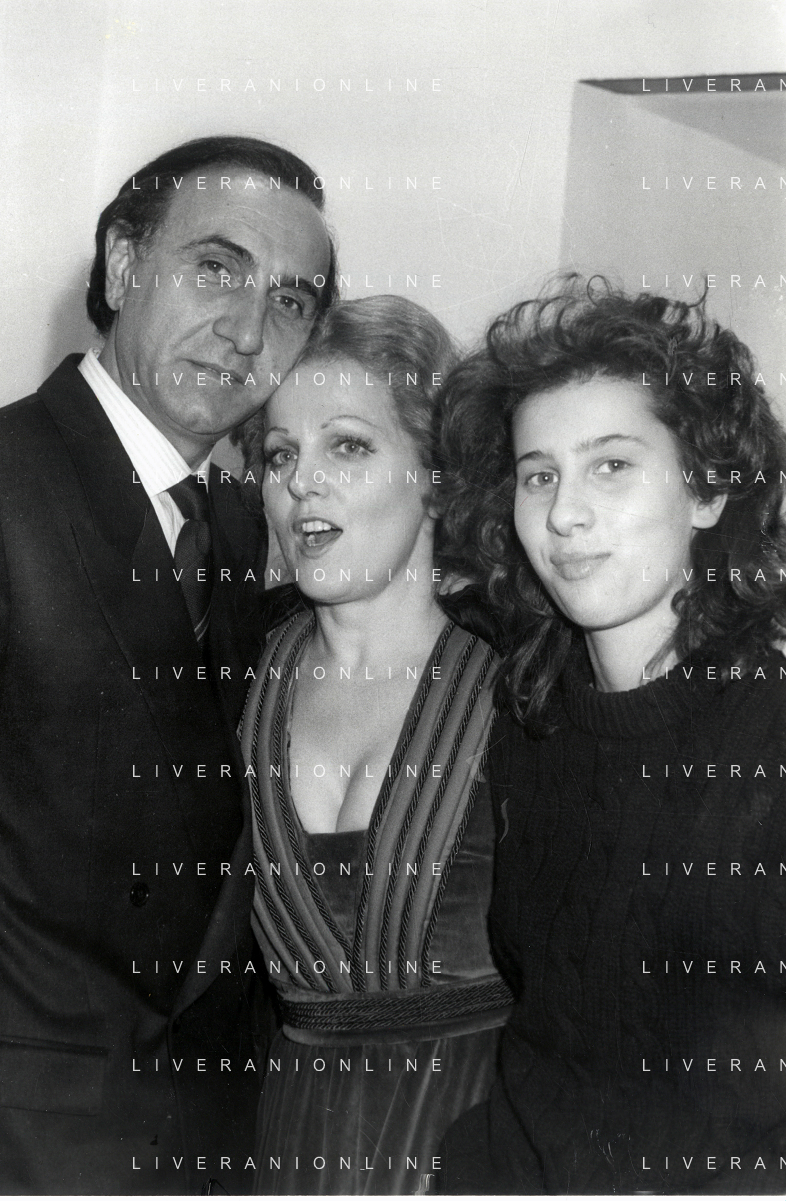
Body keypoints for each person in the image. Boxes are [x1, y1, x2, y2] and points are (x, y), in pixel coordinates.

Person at [0, 135, 334, 1194]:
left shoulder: (250, 528)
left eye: (290, 300)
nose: (247, 330)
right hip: (7, 1150)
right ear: (121, 266)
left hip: (206, 1139)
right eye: (217, 268)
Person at [436, 276, 786, 1194]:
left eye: (611, 465)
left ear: (706, 488)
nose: (563, 513)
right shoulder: (529, 721)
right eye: (538, 475)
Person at [237, 295, 514, 1195]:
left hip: (478, 1144)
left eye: (348, 446)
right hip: (288, 1145)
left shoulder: (522, 687)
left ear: (435, 474)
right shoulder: (237, 677)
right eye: (281, 454)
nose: (301, 482)